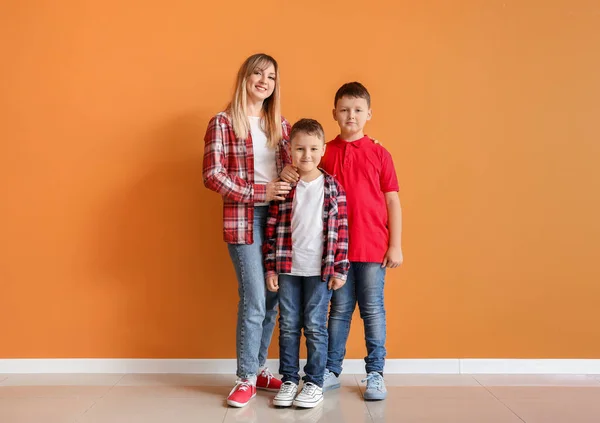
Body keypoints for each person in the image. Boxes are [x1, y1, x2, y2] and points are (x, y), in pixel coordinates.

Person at [202, 53, 298, 408]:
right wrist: (262, 191)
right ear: (244, 77)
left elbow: (297, 165)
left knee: (272, 298)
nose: (264, 81)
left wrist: (289, 174)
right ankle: (244, 377)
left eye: (271, 76)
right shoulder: (223, 122)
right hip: (244, 221)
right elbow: (213, 175)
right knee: (255, 297)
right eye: (257, 73)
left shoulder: (281, 125)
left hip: (278, 221)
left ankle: (259, 367)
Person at [320, 82, 403, 401]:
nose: (350, 115)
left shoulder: (380, 154)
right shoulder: (325, 152)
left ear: (369, 114)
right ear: (334, 114)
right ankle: (330, 370)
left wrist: (395, 244)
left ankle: (376, 373)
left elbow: (392, 200)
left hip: (372, 247)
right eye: (344, 109)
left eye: (357, 110)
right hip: (337, 249)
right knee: (338, 311)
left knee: (373, 309)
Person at [263, 118, 349, 408]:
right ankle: (289, 379)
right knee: (287, 325)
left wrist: (340, 269)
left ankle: (313, 383)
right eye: (300, 149)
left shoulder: (333, 187)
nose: (307, 155)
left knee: (315, 326)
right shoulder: (284, 187)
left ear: (323, 149)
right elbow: (272, 229)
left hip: (320, 270)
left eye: (313, 149)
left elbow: (342, 232)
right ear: (290, 149)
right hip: (288, 268)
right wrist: (270, 267)